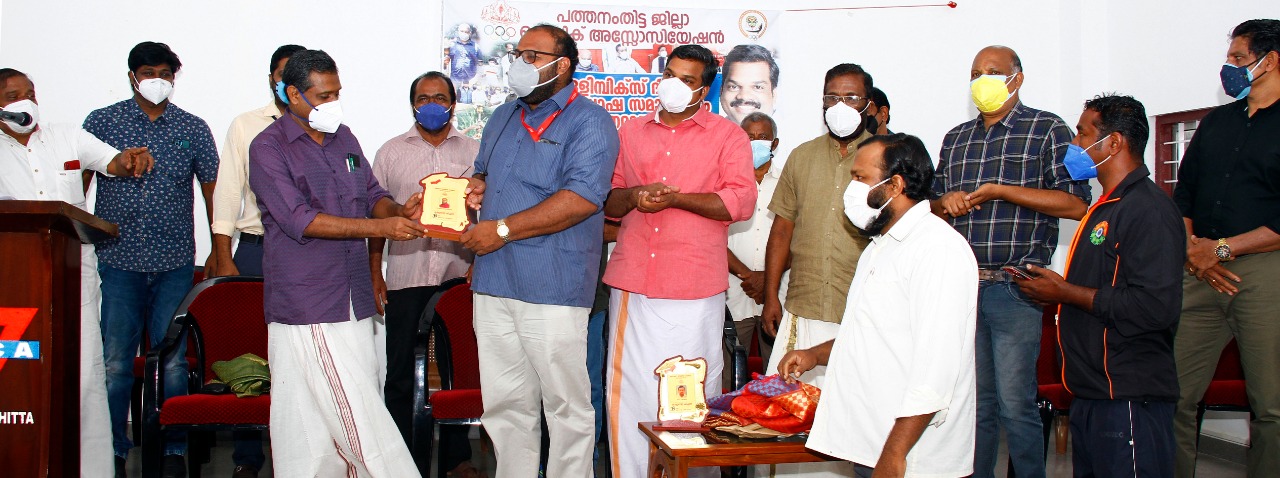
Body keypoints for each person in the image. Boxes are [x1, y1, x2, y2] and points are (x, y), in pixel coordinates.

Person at [248, 49, 424, 477]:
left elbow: (373, 195)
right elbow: (299, 219)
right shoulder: (268, 147)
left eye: (336, 94)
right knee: (356, 413)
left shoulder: (343, 137)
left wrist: (398, 211)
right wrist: (380, 227)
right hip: (308, 301)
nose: (333, 104)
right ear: (293, 94)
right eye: (323, 96)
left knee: (315, 417)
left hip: (352, 296)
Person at [459, 24, 619, 478]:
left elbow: (582, 199)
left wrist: (502, 228)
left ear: (562, 65)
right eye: (518, 53)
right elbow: (483, 174)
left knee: (566, 406)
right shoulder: (502, 116)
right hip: (494, 280)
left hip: (552, 285)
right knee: (505, 405)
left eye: (532, 56)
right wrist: (476, 188)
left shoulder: (590, 121)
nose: (520, 63)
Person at [930, 45, 1089, 478]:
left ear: (1016, 79)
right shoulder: (956, 138)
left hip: (1016, 287)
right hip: (964, 286)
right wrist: (944, 202)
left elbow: (1076, 204)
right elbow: (932, 207)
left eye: (993, 72)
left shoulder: (1047, 129)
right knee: (976, 405)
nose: (982, 80)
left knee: (1016, 404)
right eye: (975, 73)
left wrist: (1002, 190)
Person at [780, 133, 978, 478]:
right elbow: (872, 331)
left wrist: (895, 454)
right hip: (873, 442)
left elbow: (936, 367)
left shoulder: (938, 249)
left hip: (913, 458)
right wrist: (815, 354)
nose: (851, 189)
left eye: (860, 178)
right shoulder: (880, 246)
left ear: (895, 185)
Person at [602, 44, 756, 478]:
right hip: (635, 287)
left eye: (687, 80)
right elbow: (609, 201)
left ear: (705, 90)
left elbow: (740, 202)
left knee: (689, 396)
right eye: (670, 74)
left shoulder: (728, 137)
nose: (674, 84)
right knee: (630, 394)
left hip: (695, 290)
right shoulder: (630, 132)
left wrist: (677, 199)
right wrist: (635, 195)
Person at [1016, 94, 1183, 476]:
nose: (1073, 144)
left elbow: (1154, 307)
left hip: (1128, 396)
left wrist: (1065, 293)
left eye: (1082, 134)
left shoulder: (1148, 209)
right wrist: (1059, 288)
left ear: (1114, 143)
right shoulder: (1105, 207)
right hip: (1091, 392)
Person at [0, 68, 154, 478]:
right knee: (18, 378)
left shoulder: (67, 136)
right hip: (13, 289)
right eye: (13, 95)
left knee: (85, 375)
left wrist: (127, 160)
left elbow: (112, 162)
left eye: (31, 92)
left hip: (73, 279)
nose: (26, 101)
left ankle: (91, 470)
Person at [82, 41, 220, 478]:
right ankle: (112, 449)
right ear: (132, 77)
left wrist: (219, 250)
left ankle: (173, 448)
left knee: (173, 360)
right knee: (115, 361)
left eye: (165, 73)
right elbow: (78, 181)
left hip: (174, 261)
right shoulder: (102, 122)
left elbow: (212, 190)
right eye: (148, 73)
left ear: (174, 79)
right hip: (118, 260)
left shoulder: (192, 127)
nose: (157, 80)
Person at [1171, 19, 1280, 478]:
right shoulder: (1217, 122)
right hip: (1198, 270)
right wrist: (1194, 249)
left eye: (1238, 58)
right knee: (1172, 393)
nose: (1229, 66)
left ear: (1269, 61)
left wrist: (1221, 250)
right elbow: (1184, 194)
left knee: (1271, 405)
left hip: (1263, 271)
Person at [759, 63, 877, 478]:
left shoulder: (884, 158)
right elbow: (781, 231)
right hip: (803, 308)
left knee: (855, 427)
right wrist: (771, 296)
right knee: (792, 424)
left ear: (868, 104)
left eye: (850, 98)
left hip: (860, 313)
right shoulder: (802, 156)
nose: (839, 106)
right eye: (831, 98)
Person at [369, 71, 481, 478]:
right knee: (400, 373)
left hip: (459, 277)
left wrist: (481, 265)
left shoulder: (475, 153)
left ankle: (457, 460)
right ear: (412, 104)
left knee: (458, 373)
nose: (431, 104)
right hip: (406, 275)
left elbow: (488, 213)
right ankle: (402, 461)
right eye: (423, 98)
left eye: (439, 97)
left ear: (453, 104)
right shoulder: (390, 152)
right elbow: (376, 214)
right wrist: (375, 272)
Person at [205, 42, 304, 478]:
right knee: (248, 353)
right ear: (272, 80)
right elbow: (228, 189)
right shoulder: (246, 125)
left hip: (304, 254)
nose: (289, 82)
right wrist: (222, 253)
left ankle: (297, 455)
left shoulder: (324, 127)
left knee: (298, 355)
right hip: (255, 249)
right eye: (283, 74)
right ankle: (247, 459)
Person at [726, 112, 784, 374]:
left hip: (778, 295)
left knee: (779, 376)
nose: (755, 142)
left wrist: (767, 279)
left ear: (775, 143)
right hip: (735, 293)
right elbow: (713, 237)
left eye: (762, 137)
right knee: (727, 376)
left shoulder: (788, 183)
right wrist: (750, 276)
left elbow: (795, 238)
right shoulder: (725, 183)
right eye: (749, 137)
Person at [720, 44, 779, 125]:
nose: (744, 96)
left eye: (757, 87)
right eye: (734, 87)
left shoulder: (791, 130)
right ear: (721, 91)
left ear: (774, 94)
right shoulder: (712, 131)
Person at [449, 23, 482, 90]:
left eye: (466, 32)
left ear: (470, 33)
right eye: (462, 31)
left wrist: (474, 80)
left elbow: (480, 65)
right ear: (458, 32)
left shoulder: (476, 47)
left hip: (470, 82)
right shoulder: (452, 45)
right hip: (454, 81)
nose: (464, 33)